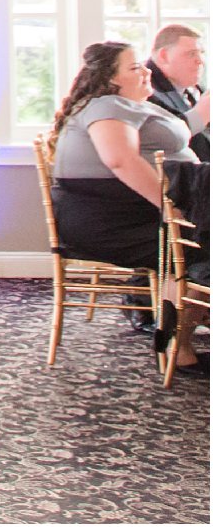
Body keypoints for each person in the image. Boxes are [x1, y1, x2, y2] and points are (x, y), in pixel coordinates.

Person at [48, 39, 204, 372]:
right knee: (200, 249)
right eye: (134, 67)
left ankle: (178, 337)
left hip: (127, 212)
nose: (146, 70)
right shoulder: (108, 106)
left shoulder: (128, 104)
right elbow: (121, 160)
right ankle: (178, 345)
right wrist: (171, 210)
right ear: (110, 79)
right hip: (109, 220)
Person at [148, 24, 210, 164]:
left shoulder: (193, 89)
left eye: (201, 53)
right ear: (164, 56)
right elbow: (164, 140)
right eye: (191, 54)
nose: (200, 61)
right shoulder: (145, 92)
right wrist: (201, 115)